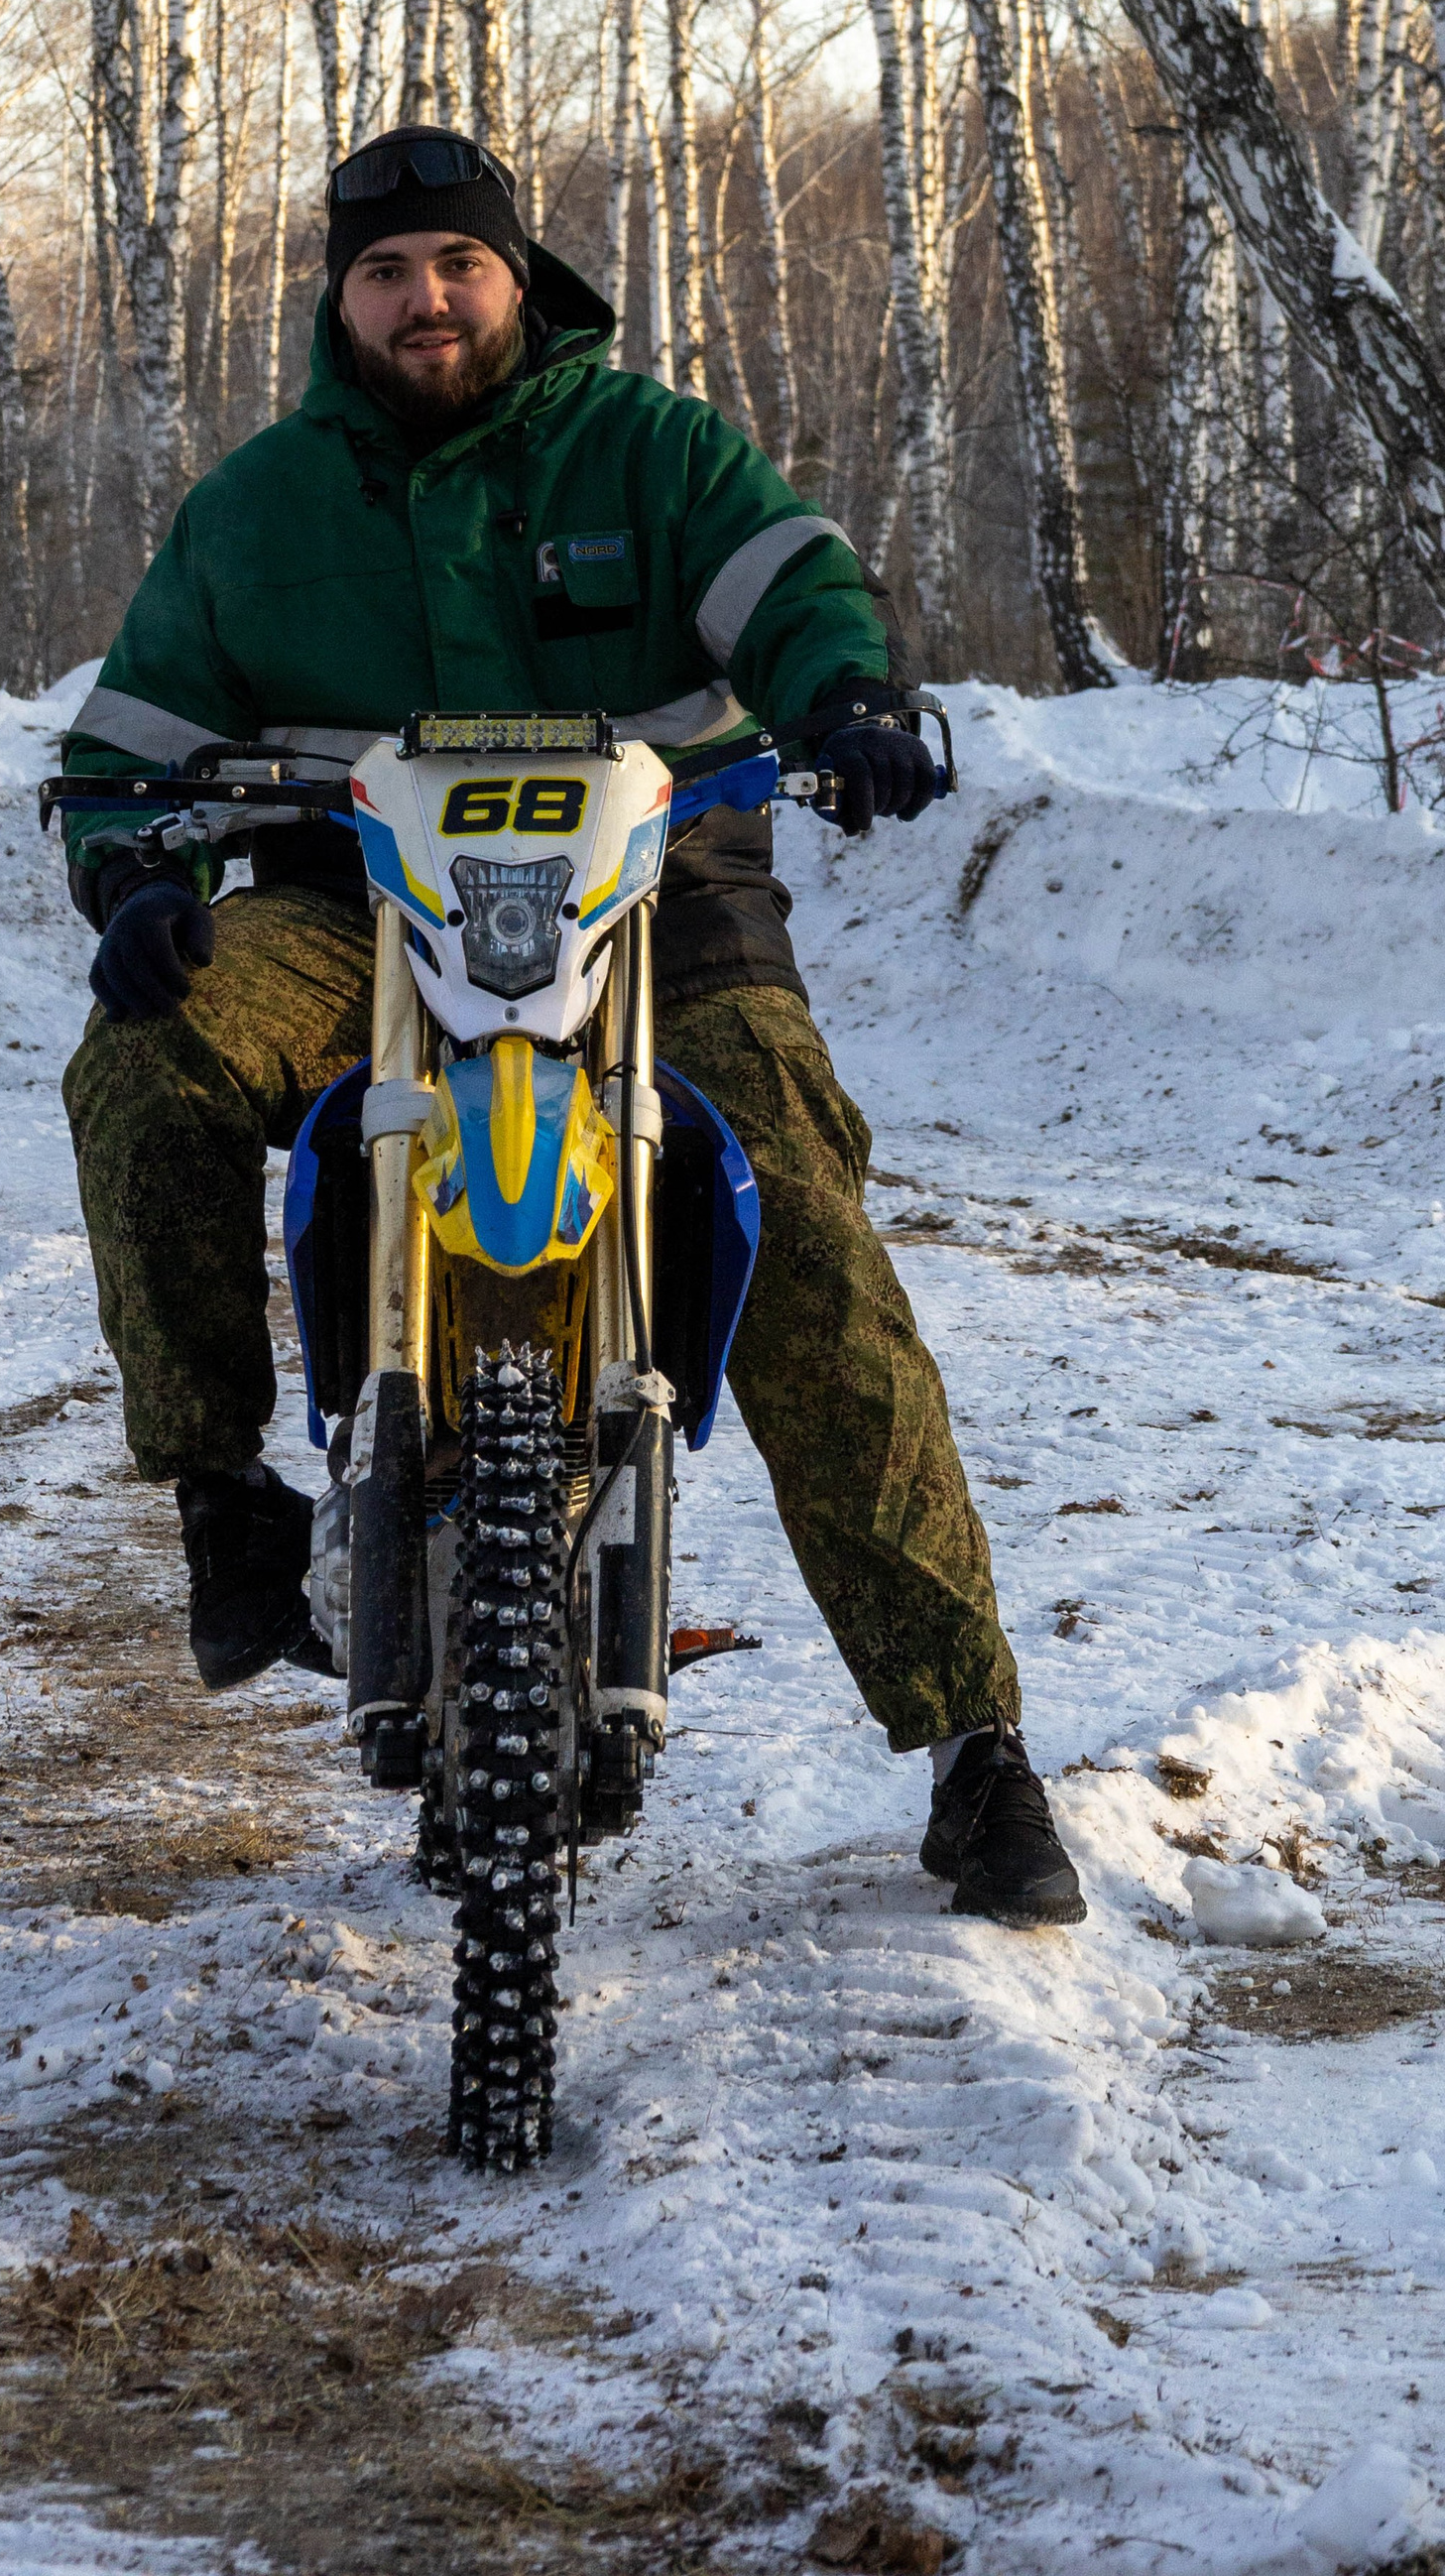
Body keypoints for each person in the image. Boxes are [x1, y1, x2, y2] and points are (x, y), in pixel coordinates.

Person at [58, 124, 1084, 1929]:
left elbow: (792, 587)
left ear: (517, 274)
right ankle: (226, 1500)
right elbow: (127, 750)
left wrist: (847, 695)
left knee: (797, 1212)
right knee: (149, 1055)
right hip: (352, 913)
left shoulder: (650, 449)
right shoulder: (257, 508)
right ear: (338, 298)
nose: (426, 300)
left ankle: (972, 1741)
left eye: (458, 264)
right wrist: (135, 877)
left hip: (662, 906)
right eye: (385, 272)